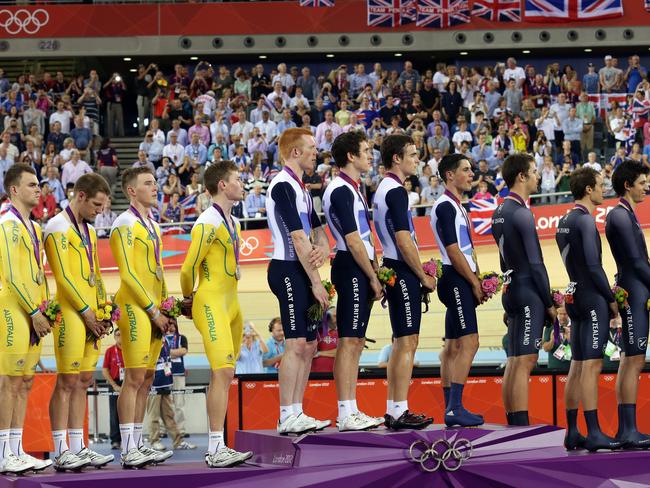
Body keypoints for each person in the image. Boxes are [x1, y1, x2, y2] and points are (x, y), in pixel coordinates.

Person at [180, 161, 254, 467]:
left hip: (231, 304)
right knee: (222, 371)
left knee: (226, 373)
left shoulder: (232, 223)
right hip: (210, 302)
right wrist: (188, 299)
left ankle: (219, 445)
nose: (242, 183)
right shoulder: (207, 221)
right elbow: (187, 268)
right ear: (222, 185)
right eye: (237, 179)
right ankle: (214, 448)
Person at [44, 173, 114, 470]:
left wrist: (102, 308)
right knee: (67, 381)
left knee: (84, 380)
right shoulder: (58, 226)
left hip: (90, 313)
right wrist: (85, 311)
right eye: (96, 205)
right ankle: (61, 451)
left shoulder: (88, 230)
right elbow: (63, 277)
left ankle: (78, 446)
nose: (100, 211)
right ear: (81, 196)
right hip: (71, 313)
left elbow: (94, 274)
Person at [265, 128, 332, 435]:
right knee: (294, 345)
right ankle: (285, 414)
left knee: (309, 346)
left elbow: (316, 230)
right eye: (311, 147)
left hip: (302, 270)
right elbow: (296, 236)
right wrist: (317, 282)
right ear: (295, 152)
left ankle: (297, 411)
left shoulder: (302, 188)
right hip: (288, 269)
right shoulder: (282, 185)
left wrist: (325, 248)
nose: (316, 152)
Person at [110, 167, 173, 468]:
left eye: (155, 181)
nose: (155, 187)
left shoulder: (153, 225)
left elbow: (158, 271)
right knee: (133, 378)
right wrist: (152, 309)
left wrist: (167, 307)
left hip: (154, 308)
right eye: (148, 183)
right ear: (132, 191)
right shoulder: (124, 223)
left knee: (147, 378)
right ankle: (127, 447)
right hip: (136, 307)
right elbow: (128, 275)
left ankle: (137, 443)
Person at [556, 167, 621, 451]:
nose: (603, 189)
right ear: (587, 190)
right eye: (599, 185)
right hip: (592, 298)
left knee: (577, 365)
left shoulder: (564, 219)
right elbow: (594, 267)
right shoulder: (584, 221)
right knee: (591, 366)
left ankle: (573, 432)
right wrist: (610, 300)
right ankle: (594, 432)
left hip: (575, 295)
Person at [323, 131, 384, 431]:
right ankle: (346, 412)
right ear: (351, 156)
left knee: (357, 340)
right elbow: (353, 240)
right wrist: (373, 276)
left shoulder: (354, 188)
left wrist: (374, 267)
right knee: (349, 341)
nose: (371, 154)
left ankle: (351, 409)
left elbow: (364, 237)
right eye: (366, 149)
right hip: (351, 265)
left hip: (358, 265)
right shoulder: (340, 189)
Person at [373, 134, 434, 430]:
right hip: (401, 267)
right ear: (396, 158)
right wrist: (422, 274)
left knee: (403, 341)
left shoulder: (386, 188)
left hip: (394, 265)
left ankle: (396, 408)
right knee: (406, 341)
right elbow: (403, 238)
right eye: (412, 154)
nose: (417, 159)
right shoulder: (395, 191)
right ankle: (398, 410)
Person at [491, 153, 555, 427]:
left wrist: (508, 293)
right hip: (529, 291)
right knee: (526, 359)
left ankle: (513, 421)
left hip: (512, 289)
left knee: (515, 359)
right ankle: (520, 425)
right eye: (534, 171)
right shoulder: (522, 213)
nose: (538, 176)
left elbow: (503, 260)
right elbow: (537, 264)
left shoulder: (499, 212)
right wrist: (549, 301)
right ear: (521, 176)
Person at [0, 164, 53, 474]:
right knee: (8, 382)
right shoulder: (7, 224)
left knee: (25, 382)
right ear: (14, 190)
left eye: (39, 184)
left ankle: (17, 449)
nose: (39, 189)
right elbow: (10, 274)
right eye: (32, 184)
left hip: (33, 311)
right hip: (12, 309)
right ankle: (4, 452)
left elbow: (37, 276)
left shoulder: (34, 227)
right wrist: (33, 312)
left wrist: (42, 309)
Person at [431, 154, 485, 428]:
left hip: (459, 276)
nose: (471, 173)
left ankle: (451, 407)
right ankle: (454, 408)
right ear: (450, 175)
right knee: (470, 342)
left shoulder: (457, 206)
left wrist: (477, 276)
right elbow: (453, 250)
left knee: (452, 347)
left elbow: (465, 248)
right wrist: (474, 282)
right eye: (465, 169)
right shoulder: (445, 207)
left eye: (471, 168)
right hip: (455, 278)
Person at [605, 160, 650, 448]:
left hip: (635, 288)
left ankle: (627, 428)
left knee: (630, 360)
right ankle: (628, 430)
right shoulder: (620, 215)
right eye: (643, 182)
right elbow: (636, 261)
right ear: (627, 185)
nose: (647, 186)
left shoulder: (625, 214)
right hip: (633, 290)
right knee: (633, 360)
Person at [102, 328, 124, 451]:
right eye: (117, 335)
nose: (120, 337)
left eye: (122, 335)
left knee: (129, 412)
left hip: (128, 384)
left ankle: (130, 439)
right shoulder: (110, 351)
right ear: (114, 337)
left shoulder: (130, 350)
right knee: (114, 413)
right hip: (114, 383)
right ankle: (115, 440)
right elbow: (105, 370)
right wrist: (114, 386)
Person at [541, 307, 571, 372]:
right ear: (556, 314)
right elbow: (546, 349)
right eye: (560, 314)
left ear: (569, 314)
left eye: (565, 314)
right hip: (554, 367)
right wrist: (552, 339)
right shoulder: (549, 328)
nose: (562, 316)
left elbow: (581, 349)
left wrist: (569, 339)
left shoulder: (575, 327)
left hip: (571, 367)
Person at [311, 308, 338, 373]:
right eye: (334, 316)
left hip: (333, 373)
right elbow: (311, 352)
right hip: (314, 373)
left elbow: (341, 352)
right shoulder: (317, 331)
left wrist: (320, 353)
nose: (336, 319)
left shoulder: (340, 333)